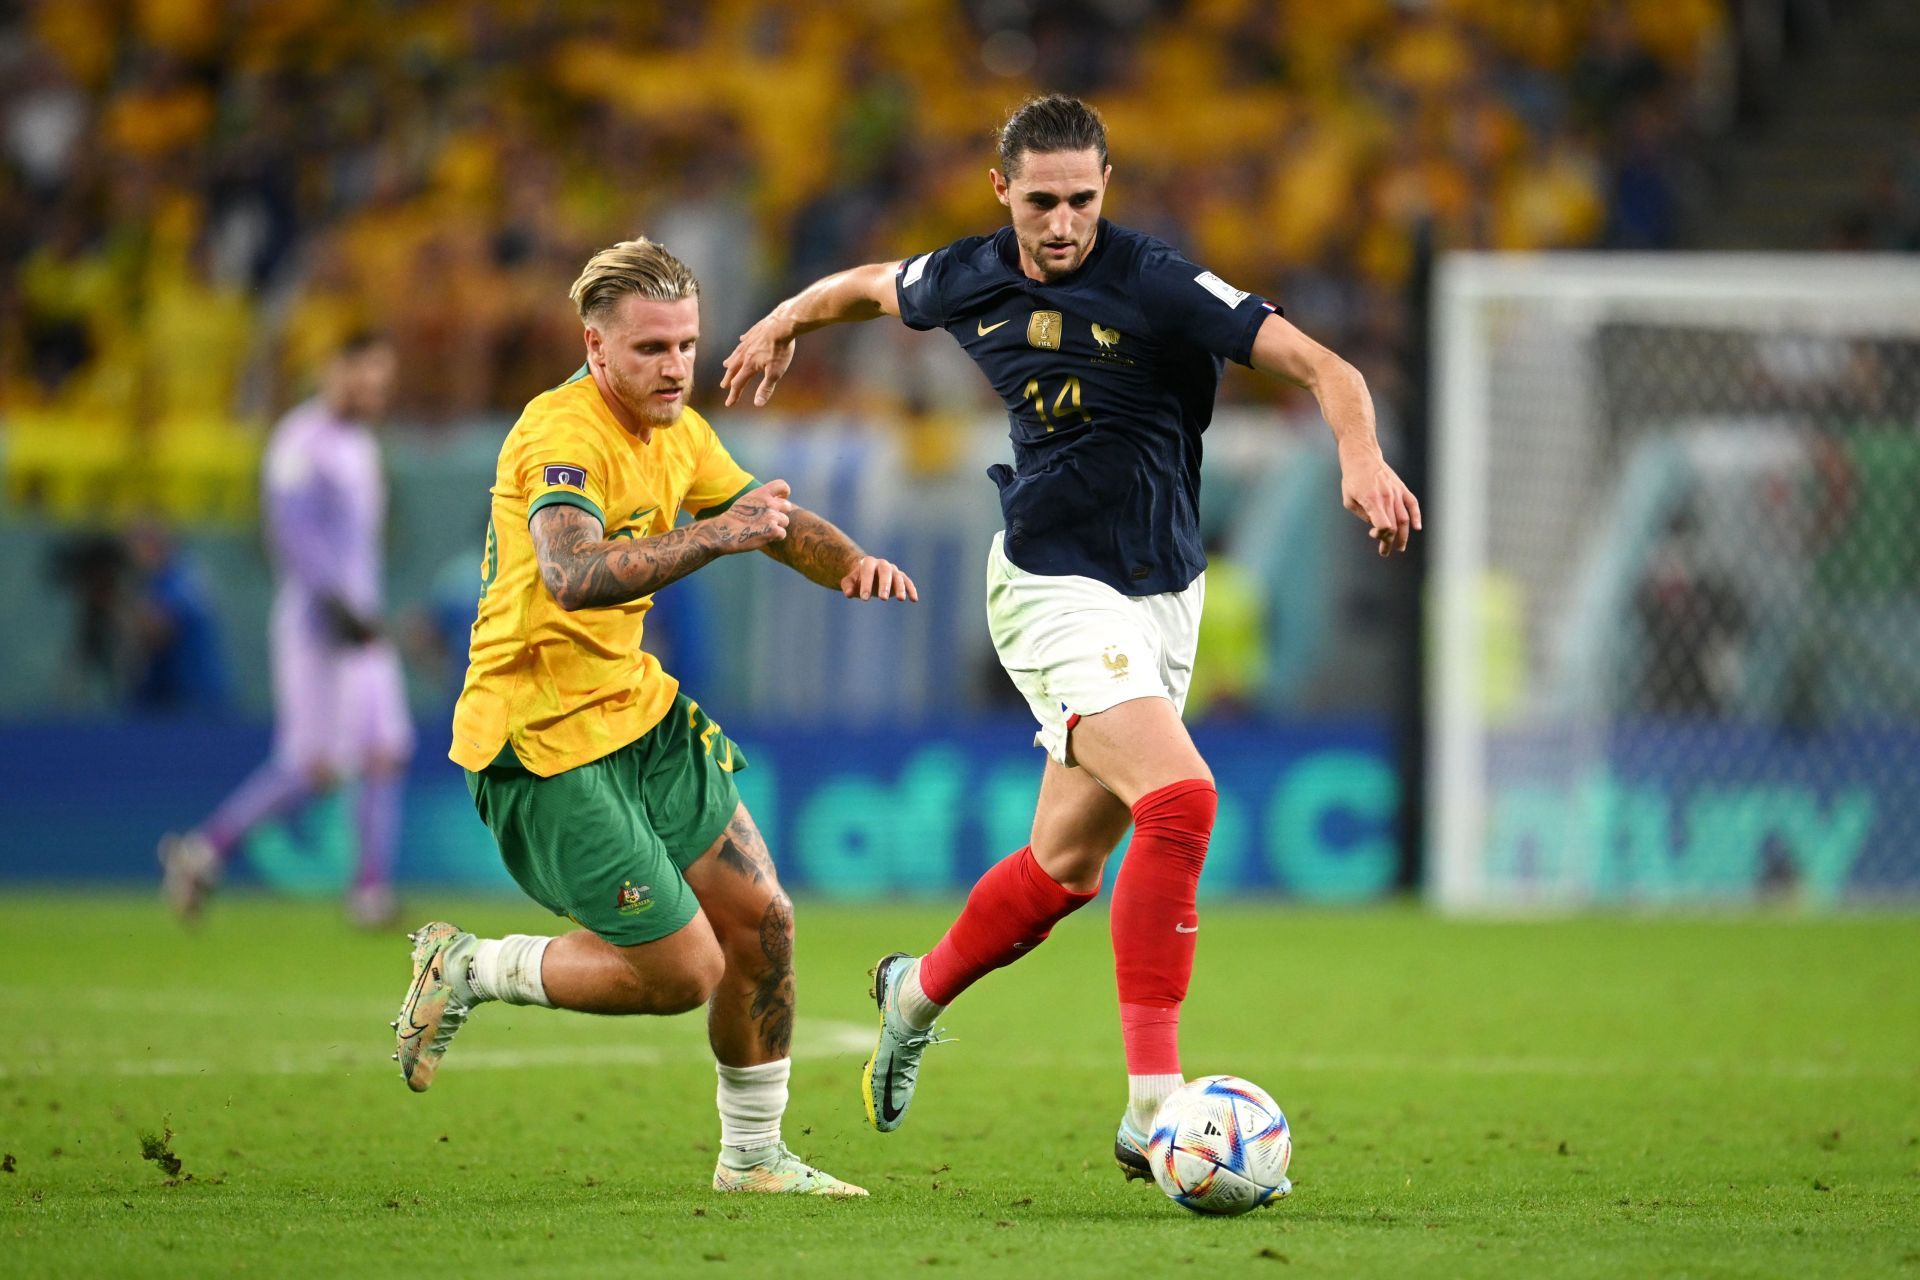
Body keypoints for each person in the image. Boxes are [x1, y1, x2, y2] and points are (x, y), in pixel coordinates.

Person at [721, 94, 1420, 1191]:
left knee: (1066, 867)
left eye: (1081, 200)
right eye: (1041, 200)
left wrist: (1361, 459)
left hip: (1163, 592)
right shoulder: (969, 273)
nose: (1061, 223)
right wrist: (781, 322)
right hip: (1050, 583)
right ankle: (1154, 1109)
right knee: (1182, 801)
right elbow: (865, 286)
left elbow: (1333, 370)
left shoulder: (1155, 280)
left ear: (1107, 187)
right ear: (1002, 191)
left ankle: (913, 993)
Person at [398, 238, 917, 1197]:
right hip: (538, 732)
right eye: (650, 350)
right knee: (683, 971)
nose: (675, 366)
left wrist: (845, 560)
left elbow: (768, 516)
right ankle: (470, 965)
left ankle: (754, 1159)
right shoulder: (562, 436)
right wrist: (719, 535)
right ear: (596, 348)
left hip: (637, 712)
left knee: (762, 923)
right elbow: (571, 572)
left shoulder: (679, 429)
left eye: (685, 344)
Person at [159, 332, 412, 927]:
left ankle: (370, 892)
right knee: (315, 766)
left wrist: (361, 608)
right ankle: (202, 852)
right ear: (335, 371)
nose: (376, 392)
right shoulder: (301, 441)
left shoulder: (361, 445)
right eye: (366, 378)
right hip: (318, 623)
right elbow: (290, 532)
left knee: (384, 751)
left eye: (383, 381)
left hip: (361, 620)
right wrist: (332, 601)